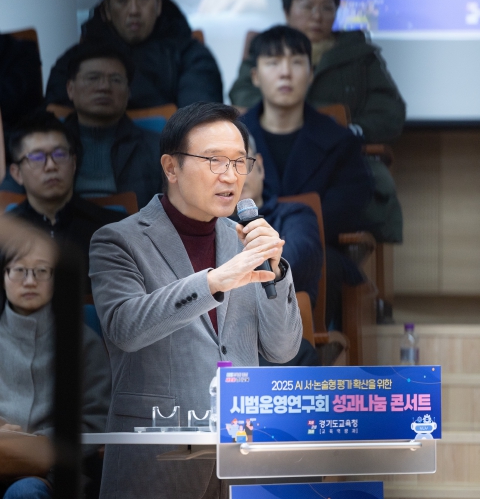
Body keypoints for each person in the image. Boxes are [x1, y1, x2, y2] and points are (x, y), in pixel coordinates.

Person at [89, 101, 302, 498]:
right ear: (171, 167)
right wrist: (215, 282)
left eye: (239, 162)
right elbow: (124, 328)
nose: (231, 175)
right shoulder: (119, 240)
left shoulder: (245, 242)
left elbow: (283, 350)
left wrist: (276, 272)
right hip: (158, 456)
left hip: (240, 451)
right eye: (214, 161)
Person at [238, 25, 373, 328]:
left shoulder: (340, 141)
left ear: (311, 74)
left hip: (316, 252)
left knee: (325, 267)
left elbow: (350, 206)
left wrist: (293, 227)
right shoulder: (234, 138)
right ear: (255, 76)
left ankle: (309, 346)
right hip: (240, 246)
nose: (285, 73)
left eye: (297, 62)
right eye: (273, 62)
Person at [0, 233, 111, 499]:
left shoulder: (82, 342)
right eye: (19, 270)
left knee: (26, 493)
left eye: (41, 271)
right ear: (4, 276)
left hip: (53, 470)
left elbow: (98, 419)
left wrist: (39, 444)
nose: (30, 281)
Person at [229, 0, 405, 145]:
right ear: (287, 12)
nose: (317, 16)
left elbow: (390, 113)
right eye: (307, 7)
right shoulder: (266, 48)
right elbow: (241, 93)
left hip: (346, 147)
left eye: (327, 8)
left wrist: (346, 130)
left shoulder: (359, 53)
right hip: (274, 144)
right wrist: (287, 115)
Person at [4, 111, 127, 291]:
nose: (51, 166)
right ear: (16, 173)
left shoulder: (113, 229)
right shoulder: (5, 236)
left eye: (60, 154)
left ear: (74, 163)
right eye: (37, 157)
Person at [45, 0, 223, 110]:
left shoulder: (192, 56)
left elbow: (200, 126)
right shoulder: (75, 61)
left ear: (158, 5)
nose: (134, 10)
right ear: (106, 10)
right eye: (122, 1)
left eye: (143, 0)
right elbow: (54, 122)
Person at [63, 43, 162, 208]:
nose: (104, 87)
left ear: (128, 92)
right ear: (70, 89)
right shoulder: (48, 147)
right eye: (93, 78)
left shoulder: (157, 149)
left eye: (115, 80)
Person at [236, 135, 322, 305]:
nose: (237, 175)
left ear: (259, 166)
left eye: (240, 162)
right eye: (224, 165)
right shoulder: (211, 225)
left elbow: (299, 261)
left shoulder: (296, 214)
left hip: (281, 312)